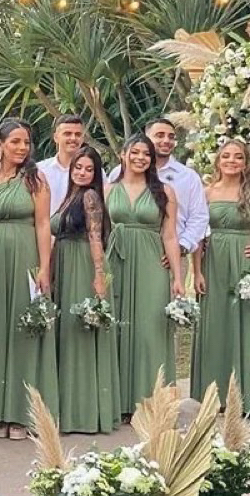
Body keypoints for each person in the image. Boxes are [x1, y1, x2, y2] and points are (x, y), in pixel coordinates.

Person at [0, 118, 58, 440]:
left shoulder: (36, 180)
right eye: (15, 142)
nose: (22, 148)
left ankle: (22, 414)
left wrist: (44, 266)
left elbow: (42, 225)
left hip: (25, 254)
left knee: (22, 330)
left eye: (26, 142)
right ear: (0, 144)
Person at [106, 133, 184, 417]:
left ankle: (152, 403)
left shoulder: (165, 192)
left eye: (146, 154)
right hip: (115, 260)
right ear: (123, 154)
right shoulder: (106, 190)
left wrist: (177, 278)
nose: (140, 158)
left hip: (152, 262)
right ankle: (119, 403)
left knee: (150, 330)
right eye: (135, 152)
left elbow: (170, 235)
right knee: (117, 327)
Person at [52, 146, 120, 434]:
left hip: (82, 264)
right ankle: (69, 408)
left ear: (95, 174)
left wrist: (99, 275)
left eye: (88, 169)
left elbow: (95, 237)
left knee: (81, 333)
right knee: (68, 333)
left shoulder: (90, 197)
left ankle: (85, 411)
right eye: (78, 167)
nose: (81, 172)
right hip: (65, 264)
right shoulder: (70, 196)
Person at [191, 139, 250, 410]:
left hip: (243, 263)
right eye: (226, 156)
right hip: (212, 263)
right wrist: (197, 271)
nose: (231, 161)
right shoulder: (206, 192)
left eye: (238, 157)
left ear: (245, 163)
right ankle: (215, 393)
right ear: (217, 161)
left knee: (244, 324)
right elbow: (198, 236)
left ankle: (244, 394)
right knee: (215, 323)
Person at [108, 118, 208, 273]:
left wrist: (181, 247)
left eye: (171, 137)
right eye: (159, 135)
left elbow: (199, 217)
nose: (166, 140)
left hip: (169, 259)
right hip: (123, 253)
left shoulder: (188, 177)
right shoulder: (118, 174)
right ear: (146, 138)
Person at [38, 115, 85, 215]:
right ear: (56, 137)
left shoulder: (93, 171)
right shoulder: (40, 170)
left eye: (78, 134)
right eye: (67, 134)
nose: (73, 138)